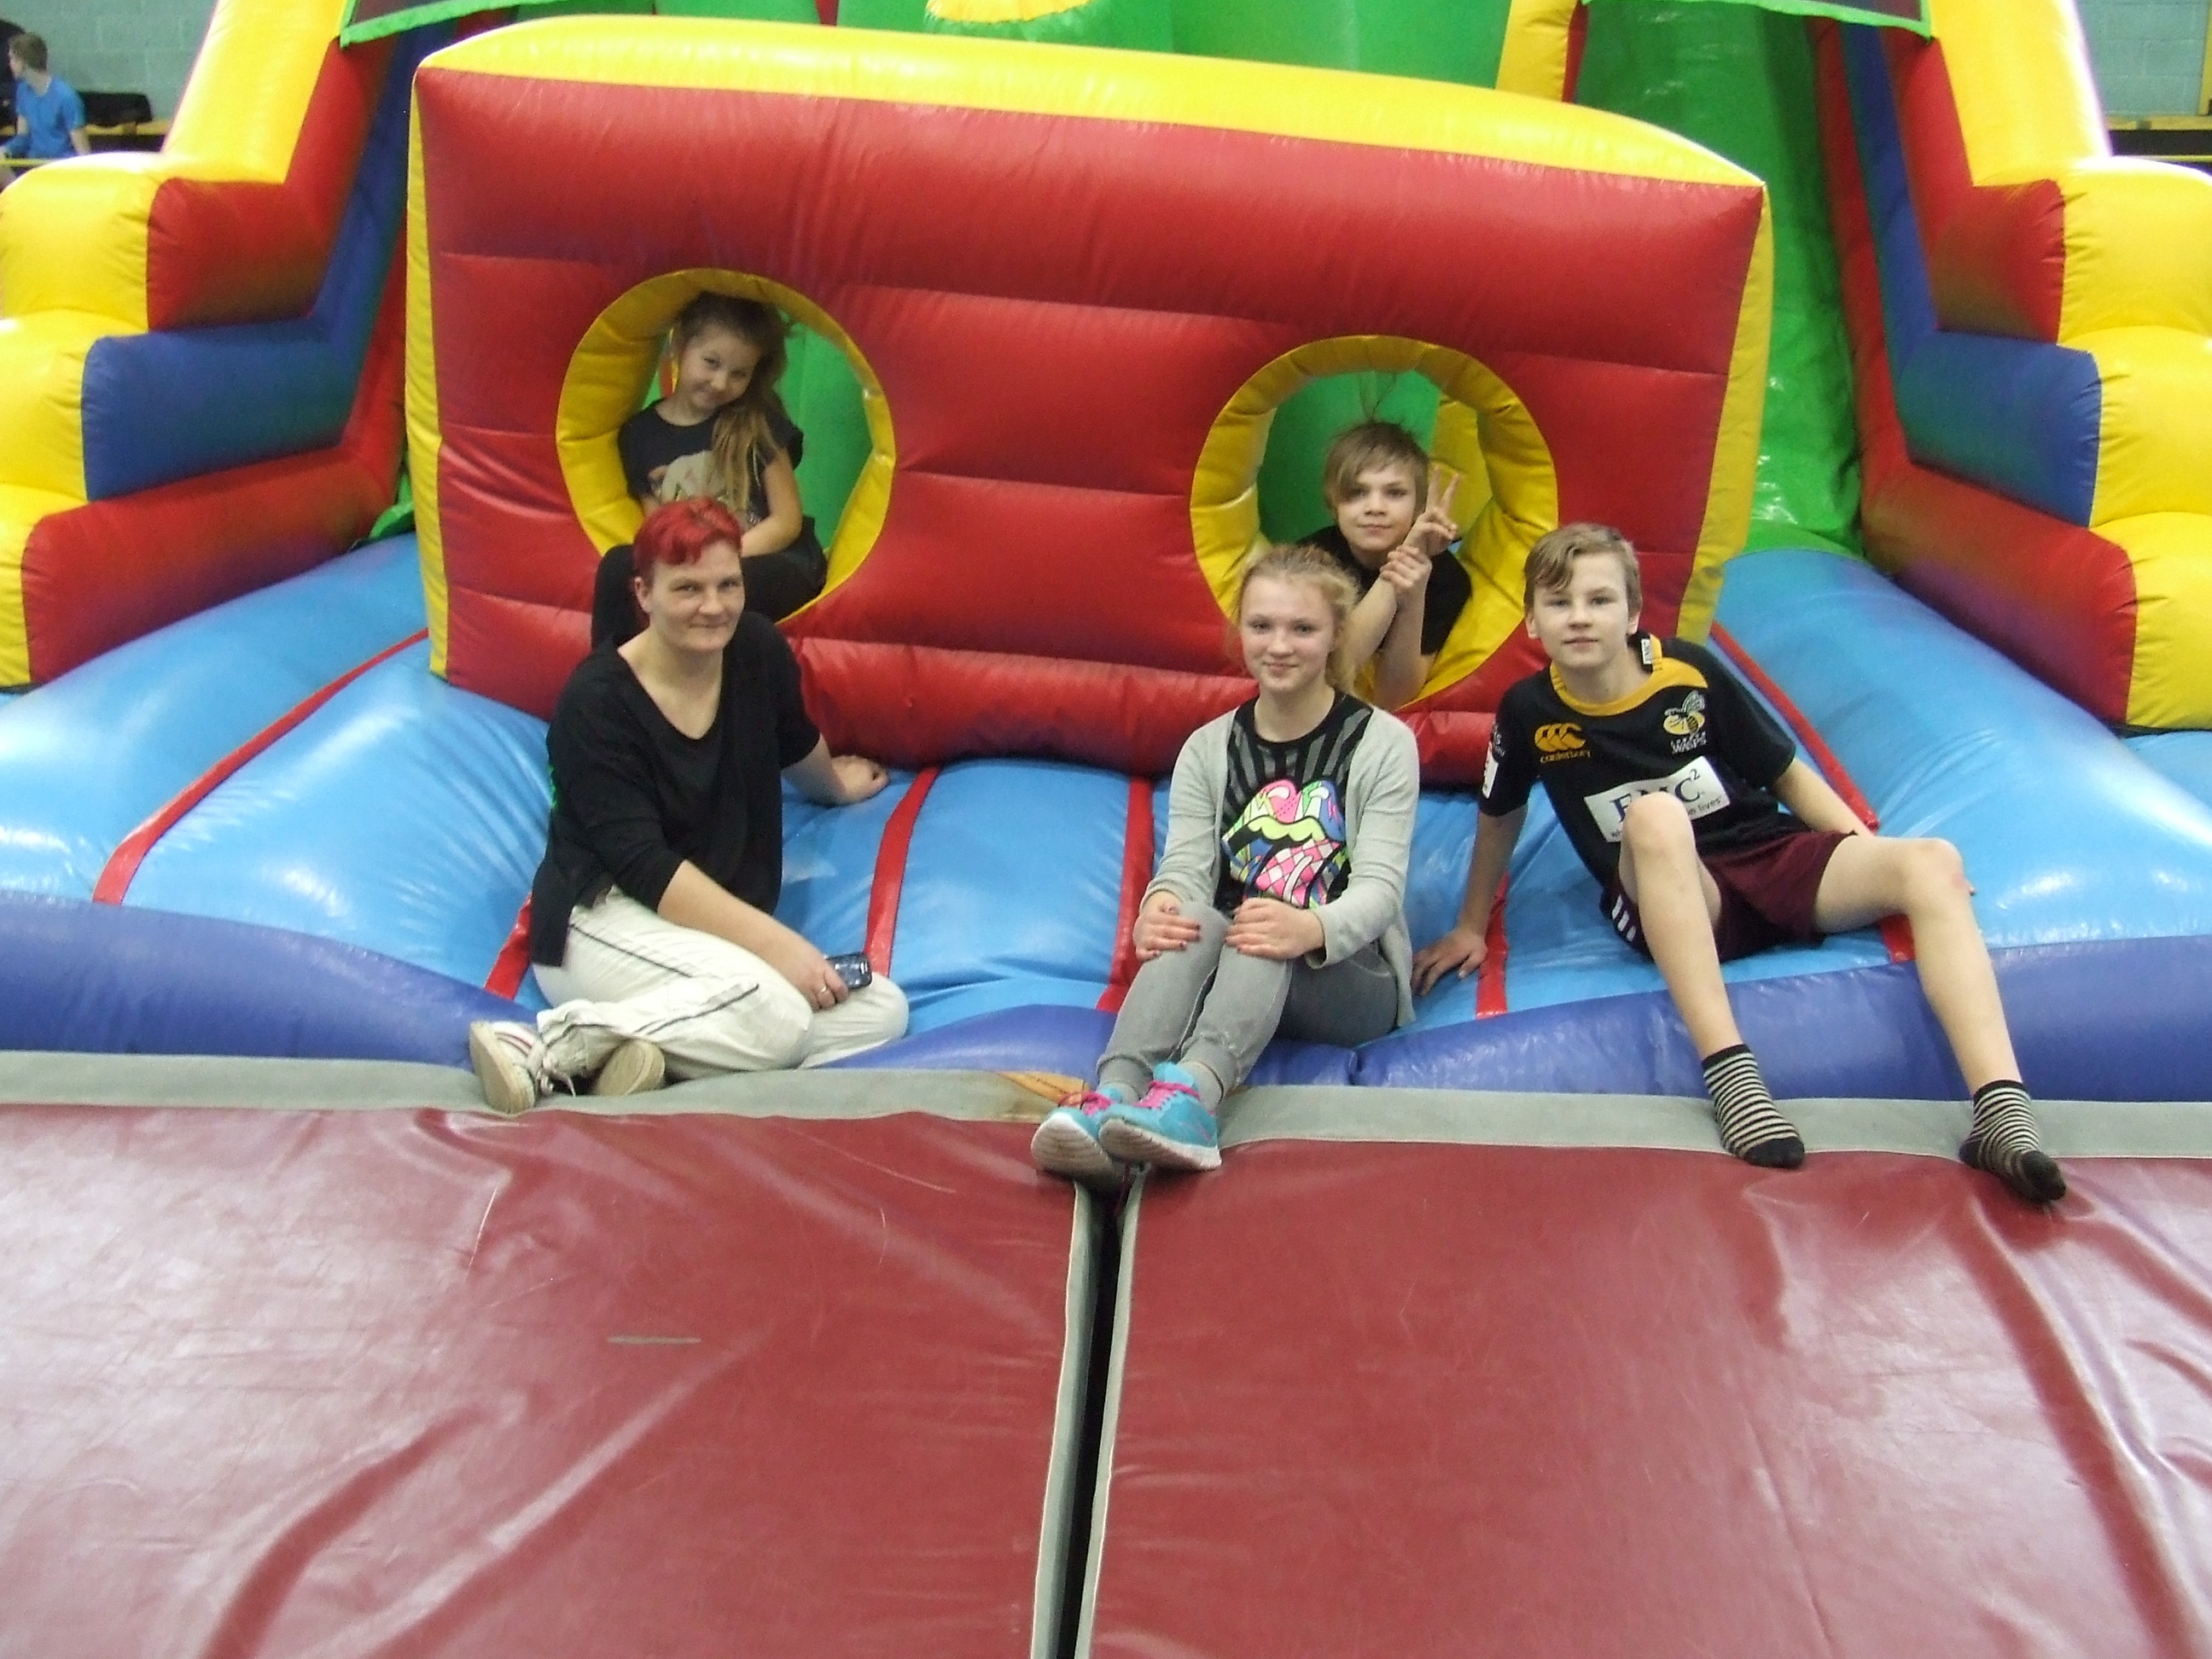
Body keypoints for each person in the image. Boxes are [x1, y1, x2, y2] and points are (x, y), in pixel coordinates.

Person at [1412, 522, 2065, 1204]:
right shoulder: (1528, 711)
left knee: (1932, 860)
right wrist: (1470, 924)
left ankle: (2002, 1113)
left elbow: (1786, 774)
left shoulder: (1687, 673)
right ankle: (1733, 1076)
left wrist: (1867, 852)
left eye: (1599, 600)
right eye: (1559, 602)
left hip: (1764, 855)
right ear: (1531, 622)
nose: (1579, 617)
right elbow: (1499, 814)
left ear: (1632, 615)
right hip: (1677, 893)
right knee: (1656, 817)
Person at [470, 498, 905, 1113]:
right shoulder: (596, 703)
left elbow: (793, 739)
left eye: (728, 585)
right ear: (643, 594)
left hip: (707, 931)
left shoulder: (754, 650)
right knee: (776, 1012)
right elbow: (644, 866)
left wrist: (834, 784)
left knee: (881, 1010)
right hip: (604, 918)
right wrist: (777, 945)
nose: (714, 606)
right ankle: (545, 1045)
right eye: (688, 588)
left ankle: (647, 1058)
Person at [1030, 541, 1421, 1185]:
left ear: (1335, 636)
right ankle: (1115, 1098)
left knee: (1258, 925)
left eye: (1303, 629)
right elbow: (1185, 867)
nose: (1279, 646)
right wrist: (1160, 907)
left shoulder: (1382, 743)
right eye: (1261, 626)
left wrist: (1311, 927)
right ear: (1240, 630)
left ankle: (1194, 1098)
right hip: (1234, 960)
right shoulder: (1209, 747)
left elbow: (1379, 890)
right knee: (1197, 922)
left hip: (1348, 977)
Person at [593, 293, 827, 643]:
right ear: (679, 345)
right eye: (711, 362)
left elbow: (785, 521)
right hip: (692, 563)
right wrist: (686, 566)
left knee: (745, 582)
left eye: (739, 374)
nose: (720, 383)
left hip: (767, 557)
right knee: (618, 566)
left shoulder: (754, 421)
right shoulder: (639, 435)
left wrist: (720, 561)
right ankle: (613, 670)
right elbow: (657, 527)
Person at [1298, 420, 1466, 711]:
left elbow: (1393, 699)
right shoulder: (1310, 561)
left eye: (1394, 493)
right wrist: (1405, 559)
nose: (1375, 507)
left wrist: (1413, 598)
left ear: (1418, 507)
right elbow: (1335, 671)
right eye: (1357, 493)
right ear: (1334, 505)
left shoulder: (1447, 579)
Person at [1, 33, 87, 188]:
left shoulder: (66, 96)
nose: (10, 64)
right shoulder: (22, 90)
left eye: (12, 59)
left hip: (62, 168)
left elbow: (83, 152)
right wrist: (5, 150)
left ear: (23, 63)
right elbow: (23, 137)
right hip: (35, 166)